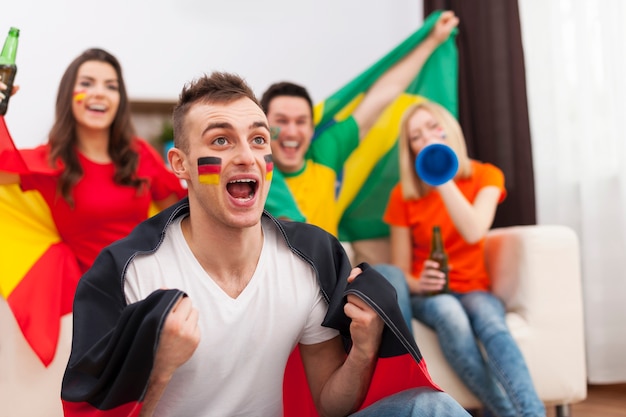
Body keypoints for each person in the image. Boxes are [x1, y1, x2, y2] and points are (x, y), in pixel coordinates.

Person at [60, 71, 470, 417]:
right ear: (180, 165)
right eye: (221, 141)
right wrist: (160, 367)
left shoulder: (308, 260)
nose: (247, 156)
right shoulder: (131, 271)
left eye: (258, 140)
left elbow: (330, 403)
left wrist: (363, 351)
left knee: (432, 407)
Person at [0, 48, 186, 417]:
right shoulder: (51, 161)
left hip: (149, 297)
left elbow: (183, 204)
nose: (99, 92)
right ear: (70, 94)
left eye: (110, 85)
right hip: (88, 311)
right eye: (87, 83)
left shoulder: (138, 156)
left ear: (120, 99)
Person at [383, 100, 546, 417]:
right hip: (432, 296)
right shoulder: (403, 195)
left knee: (491, 322)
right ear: (411, 149)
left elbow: (474, 231)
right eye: (416, 136)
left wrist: (443, 176)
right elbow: (400, 273)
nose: (426, 138)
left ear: (449, 129)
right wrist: (422, 281)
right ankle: (506, 413)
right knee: (450, 313)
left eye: (433, 127)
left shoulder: (485, 176)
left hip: (474, 289)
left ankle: (532, 413)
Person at [260, 11, 459, 265]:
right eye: (281, 121)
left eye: (300, 122)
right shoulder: (256, 171)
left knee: (387, 279)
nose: (290, 131)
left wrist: (432, 41)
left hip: (326, 276)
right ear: (263, 126)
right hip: (277, 276)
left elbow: (383, 96)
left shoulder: (325, 153)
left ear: (311, 129)